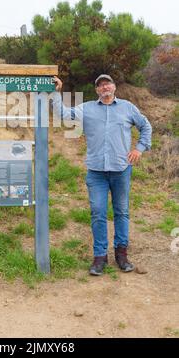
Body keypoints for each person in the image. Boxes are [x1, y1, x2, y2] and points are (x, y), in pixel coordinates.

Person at [52, 74, 152, 276]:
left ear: (114, 87)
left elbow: (146, 127)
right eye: (100, 85)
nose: (104, 87)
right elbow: (63, 114)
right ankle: (100, 258)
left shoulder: (127, 108)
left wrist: (139, 148)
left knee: (121, 212)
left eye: (107, 83)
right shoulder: (87, 109)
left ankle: (121, 256)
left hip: (121, 170)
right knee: (98, 213)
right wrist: (56, 92)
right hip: (96, 172)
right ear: (97, 90)